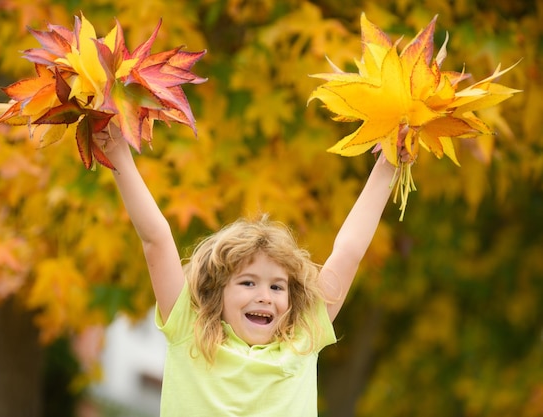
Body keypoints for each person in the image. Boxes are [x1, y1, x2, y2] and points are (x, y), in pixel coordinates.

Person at [94, 123, 398, 416]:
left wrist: (389, 163)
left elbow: (349, 251)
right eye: (248, 283)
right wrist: (118, 151)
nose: (265, 296)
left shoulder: (302, 338)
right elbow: (155, 239)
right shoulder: (189, 329)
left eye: (277, 287)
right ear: (218, 291)